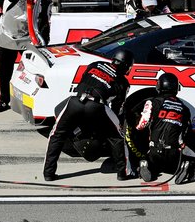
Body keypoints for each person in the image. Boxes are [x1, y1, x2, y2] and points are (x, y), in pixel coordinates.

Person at [43, 48, 136, 181]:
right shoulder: (123, 83)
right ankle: (124, 173)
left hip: (74, 102)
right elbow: (117, 110)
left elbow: (83, 81)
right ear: (125, 65)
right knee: (118, 137)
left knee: (56, 135)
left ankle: (48, 173)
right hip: (97, 106)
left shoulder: (96, 64)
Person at [0, 0, 54, 113]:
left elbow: (45, 21)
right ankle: (2, 99)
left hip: (29, 39)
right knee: (4, 71)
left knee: (38, 68)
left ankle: (39, 98)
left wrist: (43, 42)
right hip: (8, 35)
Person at [134, 73, 195, 184]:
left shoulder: (152, 102)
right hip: (174, 153)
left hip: (154, 151)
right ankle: (188, 166)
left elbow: (141, 126)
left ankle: (145, 162)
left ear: (159, 86)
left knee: (150, 155)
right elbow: (186, 133)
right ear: (177, 88)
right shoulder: (184, 108)